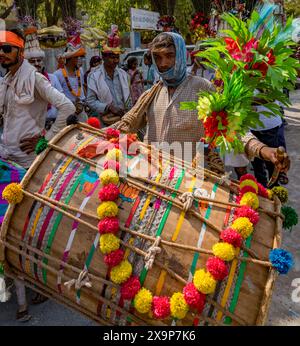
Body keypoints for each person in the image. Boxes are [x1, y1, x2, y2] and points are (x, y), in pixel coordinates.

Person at [115, 32, 290, 174]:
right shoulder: (152, 93)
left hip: (188, 180)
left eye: (169, 56)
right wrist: (92, 138)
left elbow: (231, 129)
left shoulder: (202, 87)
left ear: (182, 55)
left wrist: (264, 150)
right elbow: (124, 125)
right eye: (158, 57)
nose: (164, 64)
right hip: (151, 175)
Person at [0, 28, 76, 321]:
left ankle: (38, 283)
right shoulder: (6, 80)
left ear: (20, 52)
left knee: (30, 230)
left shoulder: (34, 78)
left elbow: (67, 107)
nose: (2, 54)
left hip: (29, 165)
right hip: (7, 162)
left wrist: (47, 139)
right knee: (10, 229)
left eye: (7, 49)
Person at [25, 34, 64, 130]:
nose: (37, 64)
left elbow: (62, 103)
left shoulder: (53, 78)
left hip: (53, 125)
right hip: (32, 127)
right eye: (32, 61)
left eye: (39, 60)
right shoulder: (22, 82)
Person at [86, 44, 131, 127]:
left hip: (123, 119)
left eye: (117, 57)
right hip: (105, 122)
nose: (116, 61)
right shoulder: (94, 76)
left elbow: (129, 98)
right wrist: (108, 107)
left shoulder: (124, 75)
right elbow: (90, 100)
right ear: (103, 57)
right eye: (112, 57)